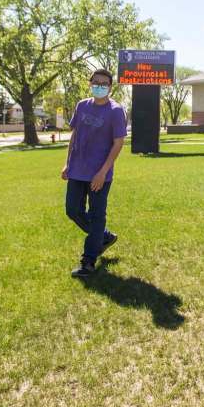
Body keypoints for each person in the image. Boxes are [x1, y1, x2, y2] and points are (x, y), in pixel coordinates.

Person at [61, 68, 127, 278]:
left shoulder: (116, 111)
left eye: (104, 84)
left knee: (97, 215)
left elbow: (118, 143)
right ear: (90, 83)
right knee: (73, 210)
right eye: (96, 82)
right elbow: (75, 135)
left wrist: (103, 172)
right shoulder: (82, 106)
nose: (99, 86)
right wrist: (67, 163)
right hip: (77, 171)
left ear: (110, 87)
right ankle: (104, 237)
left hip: (99, 174)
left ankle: (88, 261)